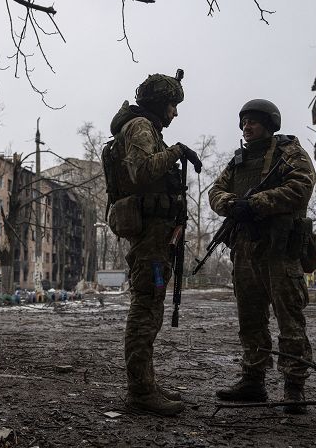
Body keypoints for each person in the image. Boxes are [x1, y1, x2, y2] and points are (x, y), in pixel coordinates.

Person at [208, 99, 315, 414]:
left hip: (280, 252)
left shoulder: (290, 154)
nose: (246, 127)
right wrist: (231, 204)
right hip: (246, 251)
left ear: (269, 124)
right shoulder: (239, 160)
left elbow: (300, 188)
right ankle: (253, 381)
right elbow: (215, 191)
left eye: (252, 122)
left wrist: (255, 203)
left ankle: (294, 389)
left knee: (290, 322)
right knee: (251, 321)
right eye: (243, 123)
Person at [104, 71, 201, 416]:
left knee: (151, 305)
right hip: (149, 237)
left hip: (157, 237)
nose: (175, 113)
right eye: (173, 104)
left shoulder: (145, 127)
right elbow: (142, 172)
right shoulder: (142, 127)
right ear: (161, 103)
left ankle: (145, 383)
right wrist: (176, 151)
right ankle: (141, 391)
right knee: (146, 307)